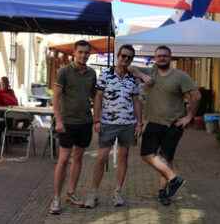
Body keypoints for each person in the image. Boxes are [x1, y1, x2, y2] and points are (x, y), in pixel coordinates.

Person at [130, 45, 200, 206]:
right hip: (153, 122)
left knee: (166, 159)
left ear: (170, 57)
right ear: (155, 58)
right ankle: (174, 178)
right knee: (146, 154)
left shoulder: (180, 76)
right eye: (159, 56)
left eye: (165, 56)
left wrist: (189, 116)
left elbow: (196, 95)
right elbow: (130, 67)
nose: (161, 58)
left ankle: (163, 192)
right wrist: (142, 75)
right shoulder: (150, 72)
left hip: (173, 124)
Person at [84, 44, 142, 208]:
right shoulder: (105, 75)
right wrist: (96, 120)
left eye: (129, 57)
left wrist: (139, 122)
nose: (125, 59)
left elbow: (137, 101)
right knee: (101, 158)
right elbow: (98, 98)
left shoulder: (133, 78)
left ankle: (117, 192)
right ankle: (93, 193)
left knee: (123, 157)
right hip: (108, 123)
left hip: (127, 124)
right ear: (118, 55)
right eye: (123, 56)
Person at [49, 40, 96, 215]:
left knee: (78, 158)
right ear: (74, 52)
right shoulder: (64, 71)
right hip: (67, 122)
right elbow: (56, 98)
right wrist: (58, 120)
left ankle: (71, 193)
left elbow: (93, 95)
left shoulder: (92, 73)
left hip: (85, 122)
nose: (84, 55)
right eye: (81, 52)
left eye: (86, 53)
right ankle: (56, 198)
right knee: (63, 159)